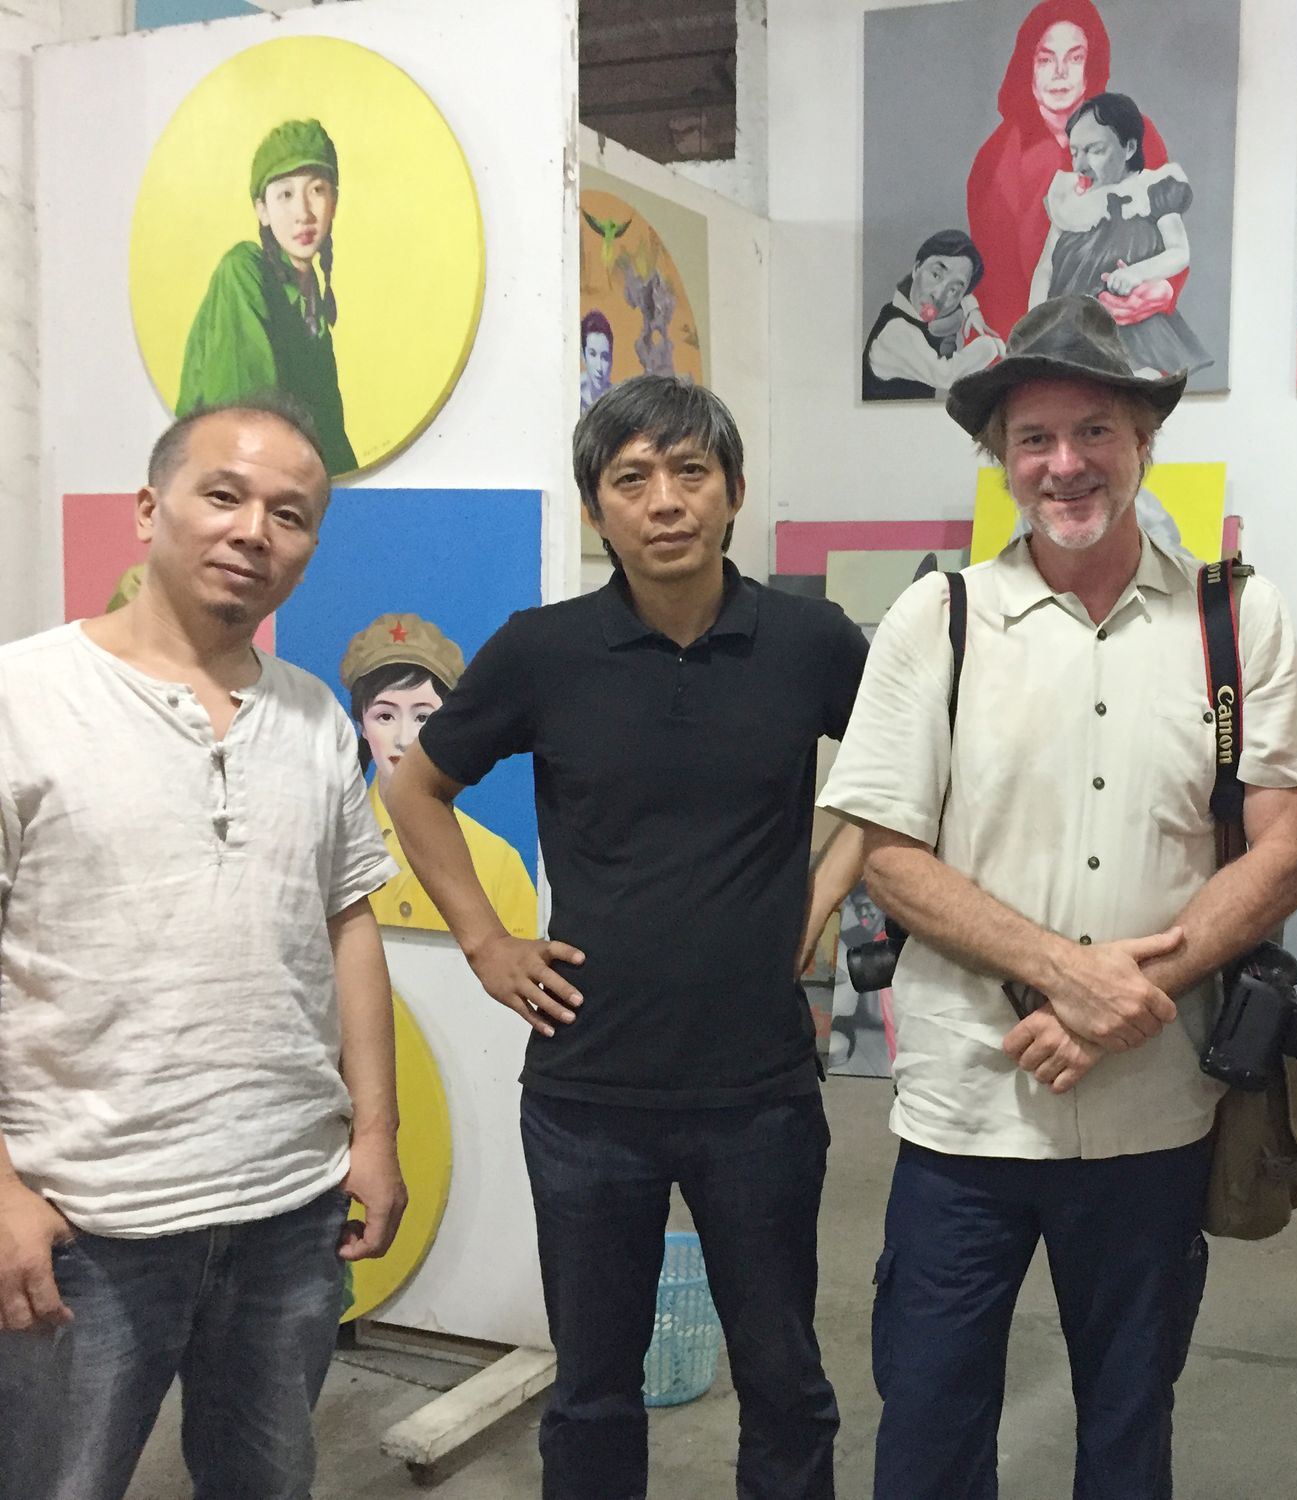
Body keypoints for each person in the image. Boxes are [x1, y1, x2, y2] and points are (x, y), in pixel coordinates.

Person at [820, 295, 1297, 1500]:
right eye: (1034, 438)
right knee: (929, 1422)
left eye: (1094, 430)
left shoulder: (1232, 617)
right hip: (966, 1110)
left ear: (1143, 440)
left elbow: (1285, 852)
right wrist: (1067, 973)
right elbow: (884, 853)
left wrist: (1121, 997)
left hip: (1156, 1111)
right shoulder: (937, 619)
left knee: (1127, 1420)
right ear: (998, 459)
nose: (1065, 464)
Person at [381, 376, 868, 1500]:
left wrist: (824, 889)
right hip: (587, 1093)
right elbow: (416, 789)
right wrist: (487, 943)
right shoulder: (544, 650)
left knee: (786, 1381)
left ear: (733, 490)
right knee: (593, 1392)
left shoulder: (809, 641)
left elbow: (913, 780)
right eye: (632, 478)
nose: (664, 501)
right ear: (596, 506)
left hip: (759, 1090)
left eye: (690, 472)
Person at [0, 396, 406, 1498]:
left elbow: (349, 924)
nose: (253, 531)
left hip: (288, 1206)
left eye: (290, 514)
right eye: (223, 495)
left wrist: (373, 1138)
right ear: (149, 508)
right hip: (86, 1218)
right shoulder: (24, 697)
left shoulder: (316, 717)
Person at [966, 0, 1183, 340]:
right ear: (1028, 66)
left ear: (1091, 64)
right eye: (1045, 59)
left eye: (1075, 57)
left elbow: (1171, 240)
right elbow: (996, 284)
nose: (1060, 72)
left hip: (1126, 335)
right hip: (1036, 343)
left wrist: (1161, 289)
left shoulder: (1135, 132)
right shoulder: (995, 158)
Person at [340, 612, 538, 940]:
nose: (404, 738)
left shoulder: (498, 860)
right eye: (385, 716)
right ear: (361, 724)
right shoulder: (331, 840)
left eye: (423, 717)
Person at [178, 120, 360, 474]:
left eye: (317, 190)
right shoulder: (244, 271)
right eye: (285, 195)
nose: (303, 214)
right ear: (262, 209)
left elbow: (331, 440)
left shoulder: (311, 304)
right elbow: (243, 426)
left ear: (334, 202)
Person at [1030, 92, 1210, 379]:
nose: (1079, 165)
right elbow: (1046, 269)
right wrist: (1035, 327)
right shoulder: (1070, 201)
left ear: (1129, 148)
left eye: (1095, 150)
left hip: (1127, 332)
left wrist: (1137, 273)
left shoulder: (1152, 190)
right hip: (1069, 332)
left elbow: (1179, 252)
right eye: (1075, 152)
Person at [862, 229, 1006, 400]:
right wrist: (993, 345)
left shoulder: (911, 314)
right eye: (936, 275)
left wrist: (972, 310)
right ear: (916, 268)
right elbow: (946, 376)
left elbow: (962, 292)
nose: (938, 295)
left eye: (953, 290)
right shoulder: (897, 330)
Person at [581, 309, 615, 412]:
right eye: (593, 354)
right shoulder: (571, 394)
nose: (599, 368)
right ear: (583, 356)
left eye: (605, 357)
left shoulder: (616, 403)